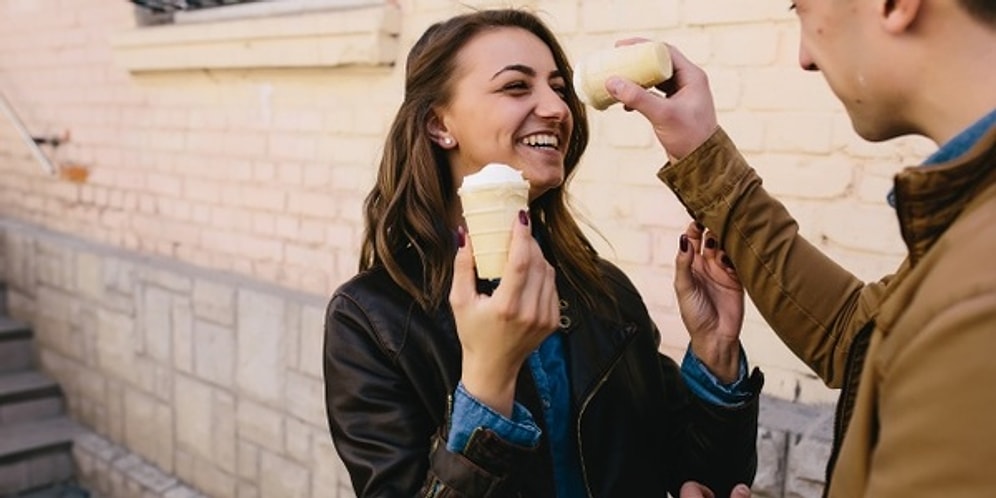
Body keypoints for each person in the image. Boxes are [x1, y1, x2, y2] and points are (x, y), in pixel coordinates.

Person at [323, 8, 764, 498]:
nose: (556, 108)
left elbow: (701, 476)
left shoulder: (603, 290)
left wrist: (715, 349)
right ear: (438, 124)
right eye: (516, 86)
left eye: (558, 87)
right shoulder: (373, 320)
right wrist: (489, 382)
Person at [606, 0, 996, 497]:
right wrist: (701, 151)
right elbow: (860, 336)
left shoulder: (980, 291)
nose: (805, 57)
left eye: (803, 9)